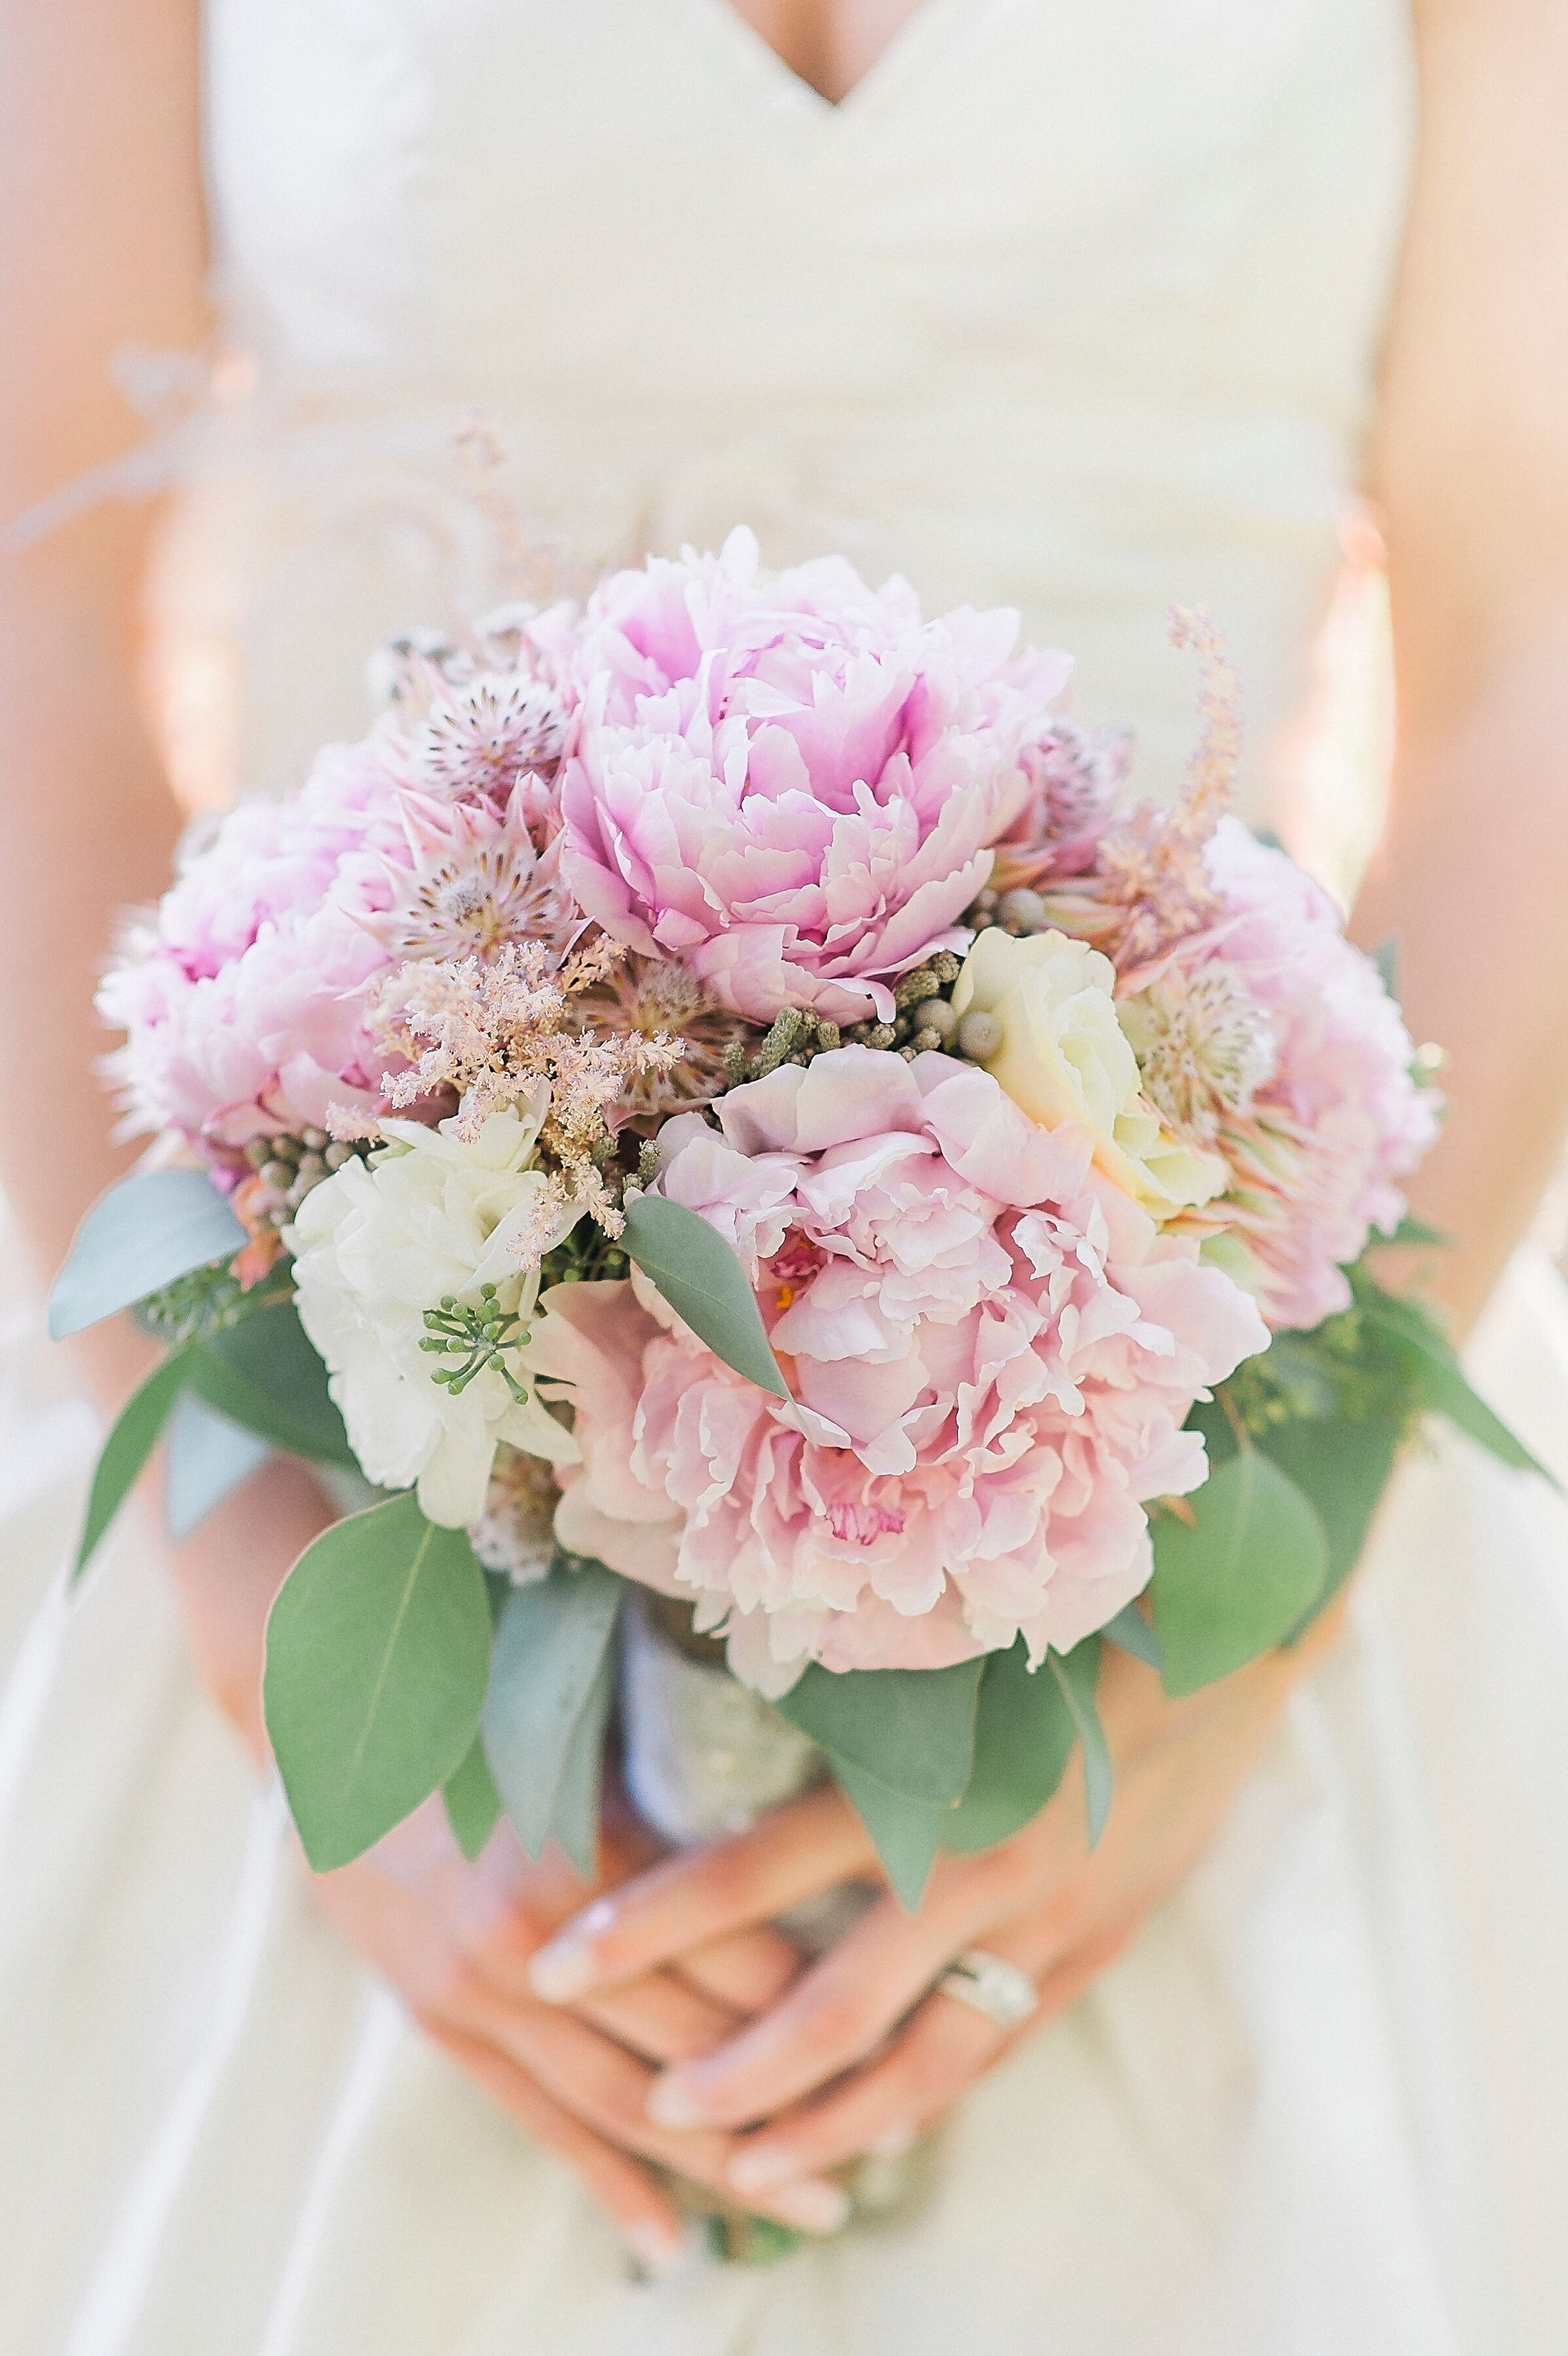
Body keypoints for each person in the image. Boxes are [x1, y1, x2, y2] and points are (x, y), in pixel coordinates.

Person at [3, 2, 1568, 2347]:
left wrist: (1244, 1636)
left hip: (1213, 1407)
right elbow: (29, 618)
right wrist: (265, 1622)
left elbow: (1530, 641)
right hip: (314, 1391)